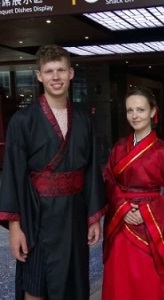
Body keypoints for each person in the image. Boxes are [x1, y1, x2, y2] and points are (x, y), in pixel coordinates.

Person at [0, 44, 107, 300]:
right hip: (36, 216)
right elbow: (12, 174)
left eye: (61, 70)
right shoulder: (22, 121)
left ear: (71, 73)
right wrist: (15, 228)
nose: (55, 77)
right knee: (35, 286)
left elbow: (92, 169)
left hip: (74, 215)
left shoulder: (84, 119)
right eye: (49, 71)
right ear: (39, 76)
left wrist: (93, 218)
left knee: (73, 283)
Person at [101, 86, 164, 300]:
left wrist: (146, 212)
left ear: (152, 112)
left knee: (148, 281)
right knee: (119, 278)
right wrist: (122, 207)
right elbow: (109, 180)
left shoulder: (163, 151)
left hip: (149, 225)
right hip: (121, 222)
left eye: (140, 110)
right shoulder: (119, 147)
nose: (134, 115)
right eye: (130, 111)